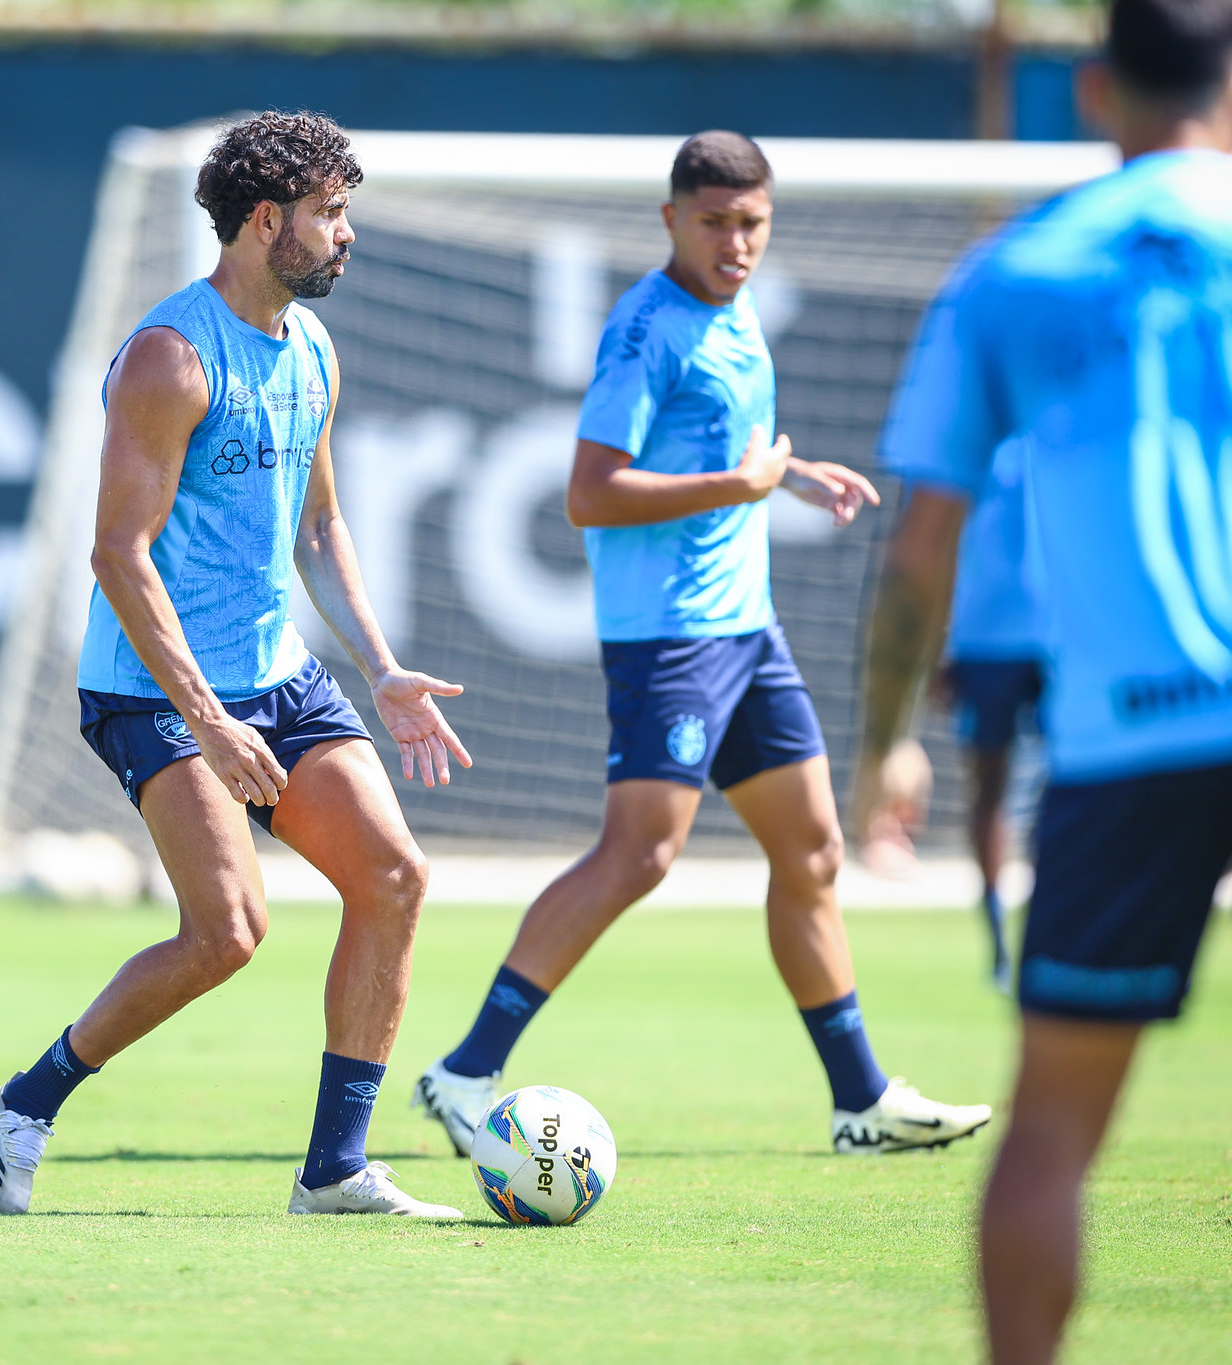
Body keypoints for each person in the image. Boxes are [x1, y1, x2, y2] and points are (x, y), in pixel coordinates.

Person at [863, 1, 1232, 1358]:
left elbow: (920, 550)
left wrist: (884, 743)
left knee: (1051, 1133)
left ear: (1091, 92)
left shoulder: (1009, 275)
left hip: (1130, 739)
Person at [413, 131, 992, 1159]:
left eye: (752, 223)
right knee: (638, 854)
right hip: (670, 638)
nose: (735, 243)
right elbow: (589, 493)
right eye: (714, 222)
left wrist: (790, 474)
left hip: (745, 628)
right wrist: (742, 485)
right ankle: (465, 1070)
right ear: (670, 219)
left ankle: (859, 1100)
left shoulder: (737, 308)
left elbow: (726, 449)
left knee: (813, 851)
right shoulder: (648, 330)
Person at [0, 112, 473, 1219]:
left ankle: (334, 1171)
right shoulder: (172, 357)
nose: (347, 234)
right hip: (154, 687)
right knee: (229, 933)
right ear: (263, 222)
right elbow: (118, 554)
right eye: (329, 214)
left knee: (394, 878)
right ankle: (26, 1102)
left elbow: (319, 528)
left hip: (274, 674)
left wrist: (380, 667)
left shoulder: (313, 346)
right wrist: (203, 717)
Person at [861, 437, 1045, 990]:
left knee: (1051, 789)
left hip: (1040, 639)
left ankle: (1032, 933)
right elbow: (931, 547)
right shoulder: (985, 437)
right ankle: (1005, 935)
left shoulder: (1045, 432)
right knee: (996, 790)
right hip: (994, 641)